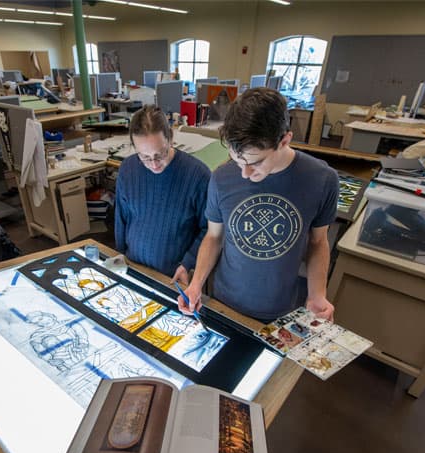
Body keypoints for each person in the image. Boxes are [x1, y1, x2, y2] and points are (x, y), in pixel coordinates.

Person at [179, 88, 339, 322]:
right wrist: (196, 285)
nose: (244, 173)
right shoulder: (222, 177)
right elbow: (213, 237)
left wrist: (318, 294)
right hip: (225, 301)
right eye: (237, 159)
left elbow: (318, 242)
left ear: (284, 141)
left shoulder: (322, 179)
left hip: (280, 306)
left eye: (256, 162)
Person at [115, 105, 210, 284]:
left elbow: (209, 230)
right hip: (133, 267)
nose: (154, 164)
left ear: (171, 138)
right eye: (144, 157)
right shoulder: (128, 169)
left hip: (174, 277)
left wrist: (188, 263)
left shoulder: (198, 175)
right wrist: (119, 254)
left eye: (160, 154)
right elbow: (122, 219)